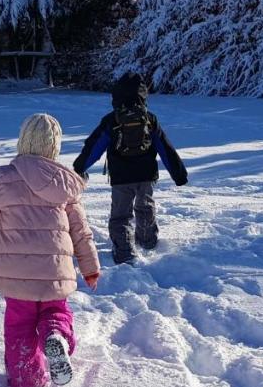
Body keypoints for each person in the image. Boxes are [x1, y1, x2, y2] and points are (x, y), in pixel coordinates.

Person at [0, 113, 101, 387]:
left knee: (20, 323)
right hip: (56, 271)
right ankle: (56, 337)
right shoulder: (66, 184)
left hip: (14, 273)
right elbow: (81, 231)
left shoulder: (2, 178)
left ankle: (26, 380)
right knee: (56, 311)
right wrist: (90, 266)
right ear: (54, 148)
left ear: (22, 142)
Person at [73, 72, 188, 265]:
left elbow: (95, 146)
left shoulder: (112, 120)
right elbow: (165, 148)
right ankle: (147, 241)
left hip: (121, 177)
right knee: (145, 207)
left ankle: (125, 252)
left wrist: (80, 167)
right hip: (147, 175)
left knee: (121, 214)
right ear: (143, 95)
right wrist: (179, 174)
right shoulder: (150, 119)